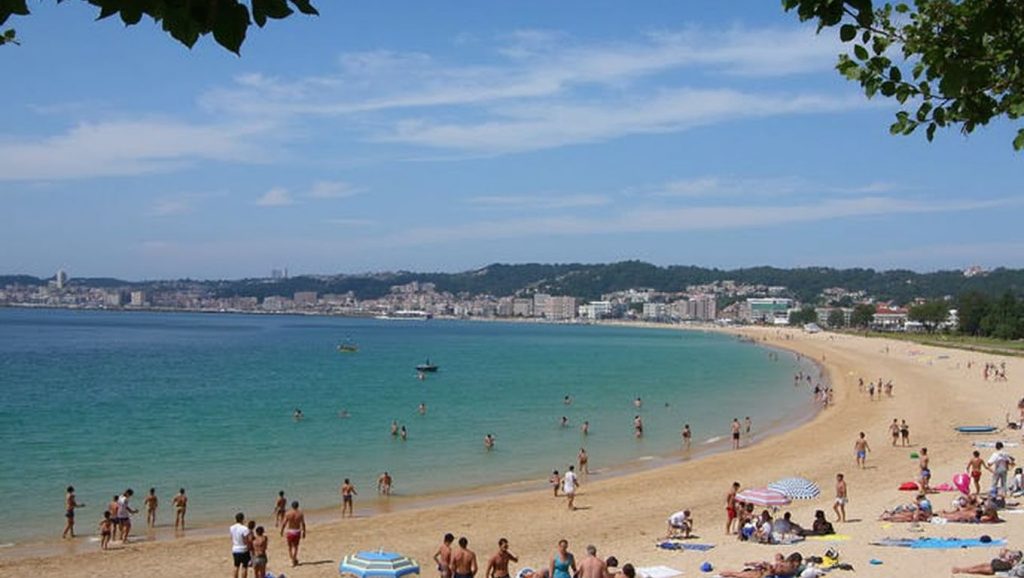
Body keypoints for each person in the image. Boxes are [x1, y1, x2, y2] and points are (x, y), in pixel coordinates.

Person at [952, 548, 1024, 575]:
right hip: (995, 563)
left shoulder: (1016, 563)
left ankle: (961, 570)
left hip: (994, 568)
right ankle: (961, 569)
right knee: (976, 567)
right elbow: (1003, 552)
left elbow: (1016, 570)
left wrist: (1012, 562)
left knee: (976, 570)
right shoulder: (1014, 556)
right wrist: (1009, 554)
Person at [280, 500, 306, 567]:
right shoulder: (300, 514)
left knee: (289, 547)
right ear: (298, 506)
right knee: (296, 547)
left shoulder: (288, 513)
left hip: (290, 532)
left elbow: (284, 523)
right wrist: (304, 532)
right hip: (297, 531)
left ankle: (292, 559)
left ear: (292, 506)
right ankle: (294, 558)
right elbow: (303, 524)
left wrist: (282, 531)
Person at [230, 512, 252, 578]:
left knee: (236, 566)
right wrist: (249, 547)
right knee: (244, 567)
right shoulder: (244, 529)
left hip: (235, 549)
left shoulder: (231, 528)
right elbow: (246, 540)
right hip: (243, 549)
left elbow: (231, 537)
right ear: (242, 519)